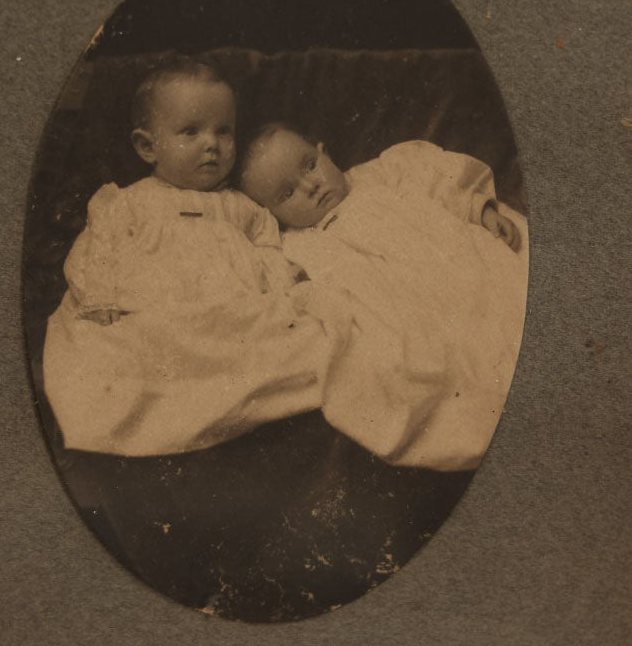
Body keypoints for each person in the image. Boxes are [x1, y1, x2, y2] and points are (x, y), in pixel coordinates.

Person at [43, 58, 350, 457]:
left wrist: (282, 297)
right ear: (147, 146)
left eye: (223, 131)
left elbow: (272, 254)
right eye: (191, 131)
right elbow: (95, 251)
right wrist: (100, 299)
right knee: (125, 355)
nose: (212, 144)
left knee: (296, 343)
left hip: (232, 311)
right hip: (159, 308)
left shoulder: (244, 207)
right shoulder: (128, 202)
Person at [238, 123, 529, 471]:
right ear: (273, 214)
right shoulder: (296, 247)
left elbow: (437, 179)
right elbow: (294, 298)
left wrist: (480, 210)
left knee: (505, 301)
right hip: (409, 315)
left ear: (323, 151)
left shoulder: (381, 174)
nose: (310, 186)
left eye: (309, 165)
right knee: (443, 368)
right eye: (287, 194)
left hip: (454, 265)